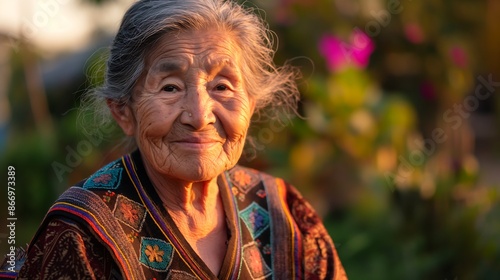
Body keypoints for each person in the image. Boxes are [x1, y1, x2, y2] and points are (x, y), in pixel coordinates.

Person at [3, 0, 347, 278]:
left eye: (222, 87)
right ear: (124, 112)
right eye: (170, 88)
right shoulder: (82, 236)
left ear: (250, 107)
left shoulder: (283, 214)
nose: (199, 116)